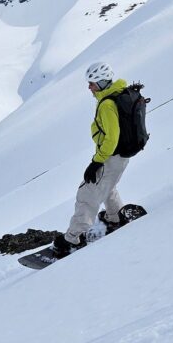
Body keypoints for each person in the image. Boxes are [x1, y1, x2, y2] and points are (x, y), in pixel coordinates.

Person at [53, 62, 130, 257]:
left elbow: (112, 138)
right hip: (119, 157)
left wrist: (97, 161)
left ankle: (72, 239)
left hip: (110, 156)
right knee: (107, 186)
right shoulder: (117, 95)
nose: (89, 87)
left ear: (103, 82)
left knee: (87, 194)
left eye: (92, 83)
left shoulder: (107, 105)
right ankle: (116, 217)